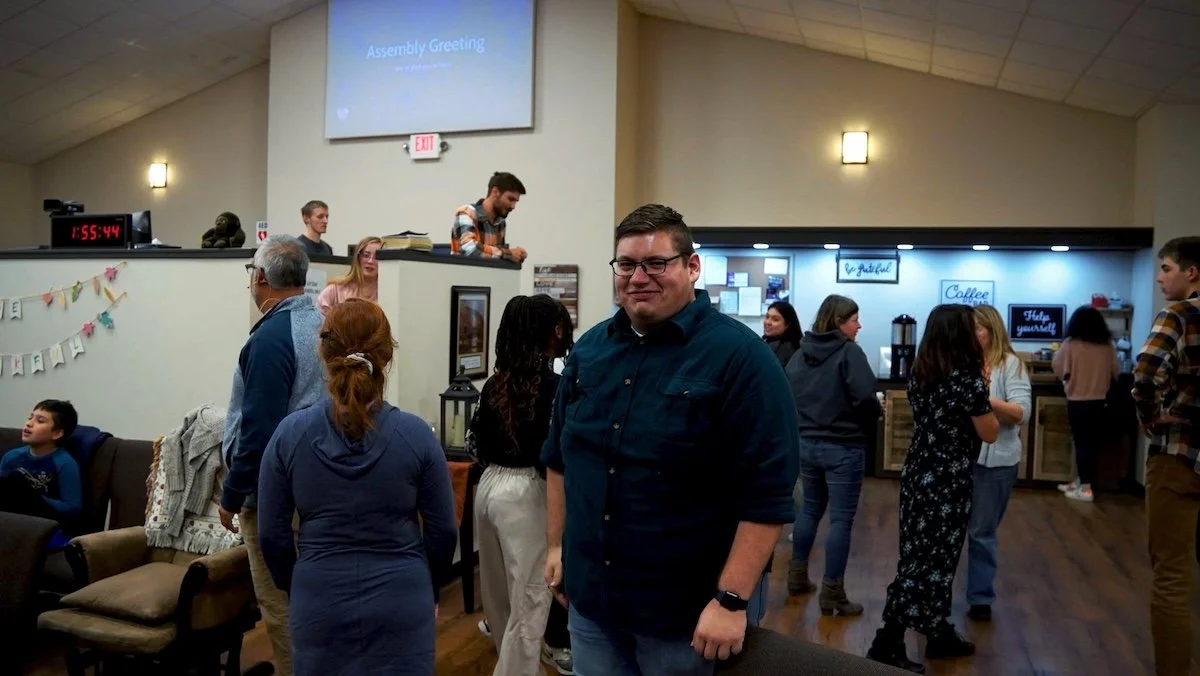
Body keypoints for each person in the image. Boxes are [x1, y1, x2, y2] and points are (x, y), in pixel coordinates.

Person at [541, 204, 799, 676]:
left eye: (656, 263)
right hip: (592, 604)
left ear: (692, 267)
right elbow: (559, 457)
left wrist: (731, 599)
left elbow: (767, 495)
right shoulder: (590, 349)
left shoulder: (741, 359)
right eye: (627, 264)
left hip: (688, 618)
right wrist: (557, 547)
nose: (639, 276)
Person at [256, 298, 457, 676]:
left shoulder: (289, 436)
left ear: (323, 352)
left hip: (318, 599)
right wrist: (426, 583)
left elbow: (272, 535)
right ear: (386, 356)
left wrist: (298, 584)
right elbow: (444, 531)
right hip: (403, 598)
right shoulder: (416, 436)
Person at [867, 304, 999, 673]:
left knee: (922, 557)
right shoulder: (967, 379)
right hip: (948, 480)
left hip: (919, 471)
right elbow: (988, 432)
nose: (978, 333)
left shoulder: (922, 373)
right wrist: (985, 389)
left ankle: (937, 630)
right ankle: (886, 641)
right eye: (972, 327)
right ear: (959, 333)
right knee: (930, 563)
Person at [218, 234, 327, 676]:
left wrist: (231, 495)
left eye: (251, 275)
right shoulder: (322, 325)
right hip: (316, 487)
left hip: (273, 498)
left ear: (260, 278)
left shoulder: (271, 339)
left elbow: (259, 430)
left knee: (280, 608)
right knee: (310, 603)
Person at [471, 295, 574, 676]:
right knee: (531, 600)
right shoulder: (557, 387)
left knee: (497, 598)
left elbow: (474, 443)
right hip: (528, 492)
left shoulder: (493, 384)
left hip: (488, 487)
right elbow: (553, 455)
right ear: (554, 331)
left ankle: (510, 661)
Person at [785, 294, 879, 617]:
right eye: (854, 319)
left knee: (809, 509)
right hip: (843, 447)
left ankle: (796, 576)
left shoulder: (800, 353)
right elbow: (867, 398)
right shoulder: (849, 353)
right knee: (841, 519)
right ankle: (833, 592)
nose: (859, 325)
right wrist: (866, 424)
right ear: (839, 322)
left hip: (806, 444)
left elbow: (788, 394)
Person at [1132, 236, 1200, 676]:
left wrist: (1151, 415)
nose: (1159, 277)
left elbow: (1145, 372)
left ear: (1192, 272)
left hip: (1180, 457)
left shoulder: (1180, 314)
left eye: (1166, 268)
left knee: (1173, 574)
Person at [964, 305, 1031, 622]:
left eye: (978, 328)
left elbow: (1021, 413)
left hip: (995, 463)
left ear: (992, 330)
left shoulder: (1010, 365)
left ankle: (980, 598)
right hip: (962, 459)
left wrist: (982, 396)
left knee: (981, 532)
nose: (973, 334)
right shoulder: (963, 363)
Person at [1052, 305, 1120, 503]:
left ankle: (1086, 488)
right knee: (1090, 445)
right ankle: (1081, 481)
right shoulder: (1108, 345)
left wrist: (1068, 379)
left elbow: (1057, 367)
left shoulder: (1071, 344)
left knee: (1081, 444)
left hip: (1077, 401)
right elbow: (1115, 372)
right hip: (1100, 402)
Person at [0, 400, 82, 529]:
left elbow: (72, 508)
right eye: (30, 418)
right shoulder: (11, 456)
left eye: (40, 421)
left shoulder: (65, 463)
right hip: (10, 519)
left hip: (41, 522)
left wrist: (33, 496)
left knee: (16, 481)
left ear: (57, 433)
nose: (29, 423)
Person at [450, 172, 529, 264]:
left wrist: (515, 257)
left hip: (488, 276)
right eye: (510, 199)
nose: (513, 206)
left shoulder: (500, 222)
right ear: (495, 192)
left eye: (516, 201)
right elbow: (469, 251)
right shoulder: (466, 213)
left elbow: (496, 258)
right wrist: (508, 254)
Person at [317, 236, 381, 315]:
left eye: (377, 257)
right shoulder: (335, 291)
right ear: (358, 258)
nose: (370, 261)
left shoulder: (389, 293)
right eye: (366, 255)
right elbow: (317, 323)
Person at [763, 301, 802, 368]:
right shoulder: (768, 342)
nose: (768, 322)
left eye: (775, 319)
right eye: (767, 317)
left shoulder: (786, 349)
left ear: (787, 325)